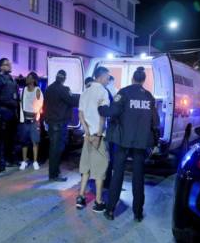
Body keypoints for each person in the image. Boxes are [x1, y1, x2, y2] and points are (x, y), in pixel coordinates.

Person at [98, 67, 160, 222]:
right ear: (143, 80)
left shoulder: (124, 93)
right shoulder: (149, 97)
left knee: (117, 174)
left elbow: (111, 111)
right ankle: (138, 213)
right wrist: (155, 142)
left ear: (133, 78)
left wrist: (101, 107)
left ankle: (110, 210)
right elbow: (155, 122)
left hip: (123, 141)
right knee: (138, 177)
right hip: (141, 143)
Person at [76, 67, 110, 212]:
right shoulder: (103, 92)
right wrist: (97, 135)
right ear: (101, 77)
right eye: (107, 77)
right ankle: (98, 201)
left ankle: (80, 197)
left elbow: (80, 115)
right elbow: (102, 115)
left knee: (86, 168)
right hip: (98, 136)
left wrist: (87, 133)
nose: (108, 80)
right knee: (100, 170)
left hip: (87, 136)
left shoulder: (85, 91)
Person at [44, 70, 79, 182]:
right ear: (64, 78)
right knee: (57, 150)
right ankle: (53, 175)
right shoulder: (64, 89)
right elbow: (73, 101)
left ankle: (54, 172)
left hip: (51, 122)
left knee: (53, 149)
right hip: (59, 123)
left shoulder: (49, 88)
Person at [0, 58, 19, 172]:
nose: (10, 66)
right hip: (2, 111)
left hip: (12, 112)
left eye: (10, 64)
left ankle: (10, 160)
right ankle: (0, 164)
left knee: (11, 139)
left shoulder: (11, 78)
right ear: (1, 67)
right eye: (7, 65)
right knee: (0, 140)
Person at [19, 72, 43, 170]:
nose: (26, 79)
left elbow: (40, 104)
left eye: (28, 77)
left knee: (35, 142)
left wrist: (36, 116)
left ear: (33, 80)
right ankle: (24, 161)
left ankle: (35, 161)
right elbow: (21, 103)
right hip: (24, 120)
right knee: (24, 142)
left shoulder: (37, 90)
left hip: (34, 120)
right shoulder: (23, 90)